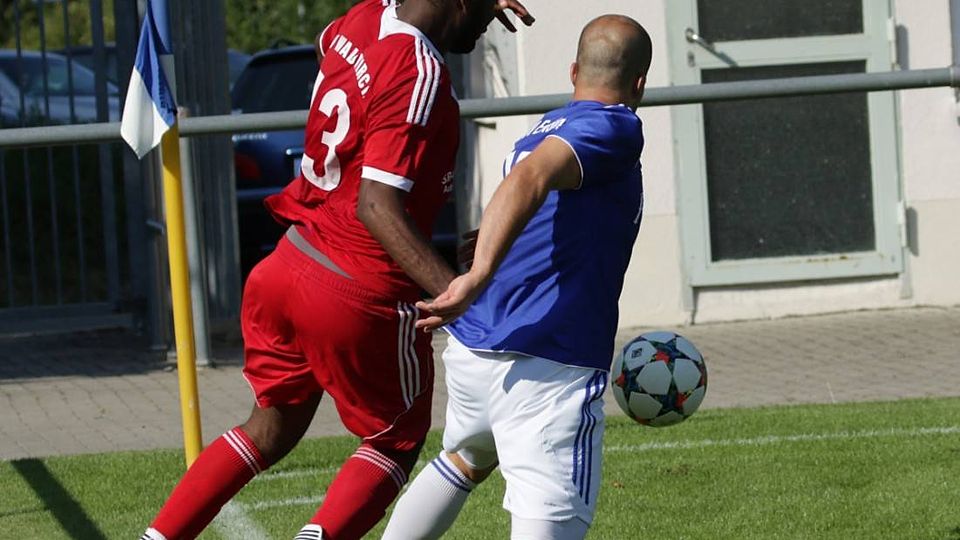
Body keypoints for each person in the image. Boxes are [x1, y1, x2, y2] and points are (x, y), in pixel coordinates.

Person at [140, 1, 533, 539]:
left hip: (288, 263)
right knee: (395, 439)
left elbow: (334, 56)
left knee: (270, 428)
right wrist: (458, 293)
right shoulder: (418, 67)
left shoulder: (361, 18)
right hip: (356, 288)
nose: (492, 18)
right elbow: (375, 205)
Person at [381, 14, 653, 540]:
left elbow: (535, 193)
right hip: (547, 361)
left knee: (466, 458)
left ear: (573, 72)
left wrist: (491, 239)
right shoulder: (615, 124)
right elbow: (530, 179)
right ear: (639, 84)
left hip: (479, 351)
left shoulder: (546, 125)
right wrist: (479, 271)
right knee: (551, 513)